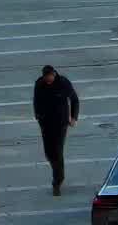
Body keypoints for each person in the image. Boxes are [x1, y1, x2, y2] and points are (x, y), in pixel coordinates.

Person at [32, 64, 80, 195]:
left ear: (53, 74)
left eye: (49, 77)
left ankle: (57, 181)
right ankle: (57, 173)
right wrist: (37, 115)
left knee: (57, 151)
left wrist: (74, 117)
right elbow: (36, 100)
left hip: (60, 123)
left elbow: (75, 99)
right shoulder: (39, 84)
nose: (48, 80)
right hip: (46, 123)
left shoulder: (63, 83)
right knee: (49, 152)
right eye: (46, 78)